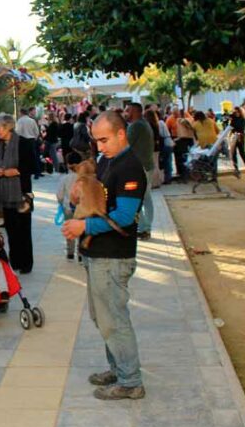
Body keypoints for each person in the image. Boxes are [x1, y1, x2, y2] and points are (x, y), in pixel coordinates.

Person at [61, 111, 147, 401]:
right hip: (98, 253)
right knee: (103, 318)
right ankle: (119, 368)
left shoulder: (130, 167)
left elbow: (124, 216)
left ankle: (130, 380)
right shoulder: (108, 160)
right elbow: (99, 196)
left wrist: (83, 225)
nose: (99, 147)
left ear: (121, 134)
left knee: (114, 320)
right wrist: (78, 195)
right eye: (96, 141)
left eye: (104, 140)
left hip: (113, 256)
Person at [0, 114, 36, 274]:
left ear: (8, 127)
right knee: (11, 229)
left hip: (21, 192)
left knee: (23, 228)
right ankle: (16, 261)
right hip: (5, 193)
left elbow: (32, 165)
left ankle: (26, 263)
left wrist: (15, 171)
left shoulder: (23, 143)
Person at [125, 103, 155, 240]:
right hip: (147, 165)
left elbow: (125, 143)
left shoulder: (136, 126)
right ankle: (146, 227)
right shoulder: (144, 123)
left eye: (128, 110)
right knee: (146, 198)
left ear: (135, 112)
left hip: (139, 167)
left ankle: (143, 228)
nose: (125, 113)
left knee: (137, 198)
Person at [15, 108, 43, 179]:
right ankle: (35, 172)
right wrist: (34, 138)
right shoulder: (32, 121)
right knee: (33, 157)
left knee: (24, 158)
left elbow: (17, 132)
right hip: (31, 141)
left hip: (23, 141)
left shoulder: (20, 121)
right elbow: (36, 132)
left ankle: (25, 172)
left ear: (21, 113)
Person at [229, 107, 245, 176]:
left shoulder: (243, 119)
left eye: (237, 112)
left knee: (242, 153)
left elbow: (240, 127)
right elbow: (230, 127)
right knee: (233, 154)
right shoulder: (233, 119)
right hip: (234, 137)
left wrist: (233, 122)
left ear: (240, 112)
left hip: (240, 137)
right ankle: (236, 169)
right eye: (235, 112)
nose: (236, 113)